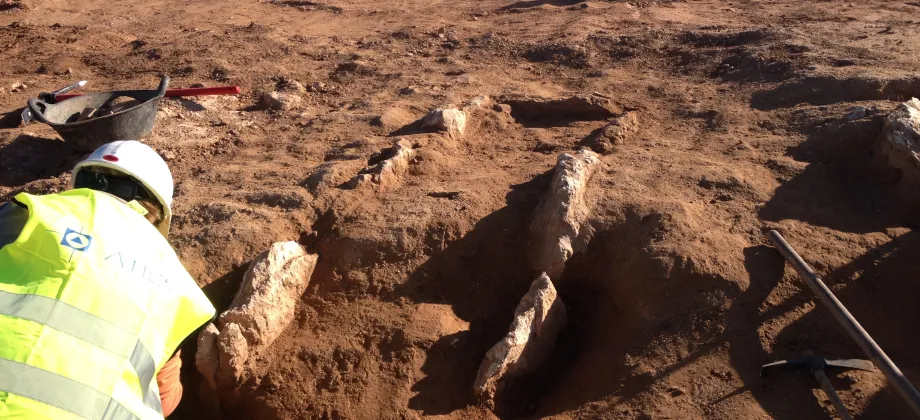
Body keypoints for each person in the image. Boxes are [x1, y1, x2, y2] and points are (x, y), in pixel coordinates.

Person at [0, 140, 216, 419]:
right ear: (157, 212)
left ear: (82, 182)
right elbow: (165, 399)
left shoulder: (27, 214)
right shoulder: (177, 283)